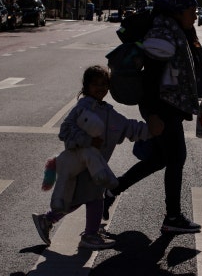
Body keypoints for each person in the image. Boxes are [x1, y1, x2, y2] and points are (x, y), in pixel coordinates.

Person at [103, 0, 202, 233]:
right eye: (192, 12)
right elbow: (152, 77)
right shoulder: (163, 34)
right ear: (177, 11)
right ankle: (172, 217)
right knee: (176, 159)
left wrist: (198, 76)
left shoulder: (171, 30)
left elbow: (171, 70)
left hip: (167, 104)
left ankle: (112, 191)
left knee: (161, 159)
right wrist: (153, 113)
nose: (195, 17)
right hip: (162, 107)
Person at [32, 65, 160, 249]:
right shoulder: (83, 107)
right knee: (94, 199)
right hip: (82, 164)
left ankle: (48, 220)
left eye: (104, 84)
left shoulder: (107, 110)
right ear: (86, 86)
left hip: (94, 165)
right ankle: (89, 235)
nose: (100, 88)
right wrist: (87, 141)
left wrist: (149, 130)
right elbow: (65, 131)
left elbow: (126, 126)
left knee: (81, 198)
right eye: (95, 84)